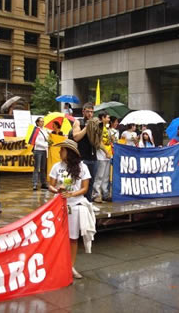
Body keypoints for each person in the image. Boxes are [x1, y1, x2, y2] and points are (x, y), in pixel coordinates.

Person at [48, 139, 92, 279]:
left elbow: (85, 188)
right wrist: (56, 190)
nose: (60, 152)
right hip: (59, 206)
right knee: (58, 236)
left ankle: (70, 266)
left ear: (70, 152)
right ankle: (57, 264)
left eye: (62, 149)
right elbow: (50, 185)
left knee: (73, 238)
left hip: (75, 206)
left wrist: (72, 193)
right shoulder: (56, 166)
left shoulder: (82, 167)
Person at [72, 102, 98, 200]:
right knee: (81, 182)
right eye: (88, 112)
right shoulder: (78, 122)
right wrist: (87, 127)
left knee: (91, 182)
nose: (90, 114)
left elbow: (97, 142)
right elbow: (76, 137)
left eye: (92, 112)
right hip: (82, 157)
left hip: (93, 157)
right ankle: (80, 202)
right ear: (83, 112)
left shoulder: (95, 123)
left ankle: (89, 203)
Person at [93, 112, 112, 203]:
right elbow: (98, 142)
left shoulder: (107, 128)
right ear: (103, 118)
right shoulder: (98, 127)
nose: (109, 119)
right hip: (101, 155)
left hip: (108, 155)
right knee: (99, 176)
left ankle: (105, 194)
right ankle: (96, 194)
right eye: (107, 117)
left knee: (106, 177)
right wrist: (106, 152)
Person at [32, 117, 49, 190]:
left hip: (44, 151)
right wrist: (45, 145)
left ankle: (43, 183)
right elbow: (35, 141)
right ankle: (35, 184)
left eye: (43, 121)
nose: (42, 123)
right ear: (37, 122)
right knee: (37, 168)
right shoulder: (35, 130)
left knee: (43, 168)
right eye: (41, 121)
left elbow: (47, 139)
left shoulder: (45, 130)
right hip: (38, 150)